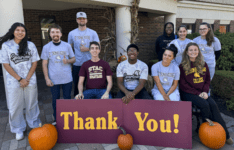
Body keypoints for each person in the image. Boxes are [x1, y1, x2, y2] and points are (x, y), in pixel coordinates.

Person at [179, 42, 233, 145]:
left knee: (213, 105)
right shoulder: (182, 66)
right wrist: (197, 93)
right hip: (188, 93)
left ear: (198, 51)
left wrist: (204, 91)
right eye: (191, 50)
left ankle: (226, 134)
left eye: (195, 50)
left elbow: (207, 80)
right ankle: (205, 129)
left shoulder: (203, 64)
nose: (193, 52)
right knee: (205, 105)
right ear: (187, 52)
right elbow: (183, 85)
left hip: (202, 92)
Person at [0, 22, 41, 140]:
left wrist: (26, 79)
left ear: (25, 33)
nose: (20, 32)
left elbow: (34, 63)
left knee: (32, 103)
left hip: (30, 80)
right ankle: (18, 129)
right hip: (13, 81)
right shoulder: (6, 46)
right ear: (13, 31)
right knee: (15, 105)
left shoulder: (30, 45)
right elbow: (6, 64)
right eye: (17, 30)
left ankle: (33, 124)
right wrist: (20, 79)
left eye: (22, 31)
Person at [41, 24, 75, 125]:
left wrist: (68, 61)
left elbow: (73, 59)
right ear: (50, 34)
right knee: (55, 100)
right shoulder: (46, 47)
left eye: (57, 32)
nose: (55, 34)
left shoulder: (67, 45)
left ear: (60, 34)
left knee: (67, 98)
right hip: (53, 79)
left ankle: (68, 118)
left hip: (67, 78)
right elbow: (44, 63)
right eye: (53, 32)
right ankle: (56, 118)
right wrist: (47, 78)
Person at [68, 12, 100, 97]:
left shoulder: (93, 33)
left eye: (83, 18)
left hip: (91, 64)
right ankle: (77, 107)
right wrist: (70, 61)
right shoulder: (71, 33)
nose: (81, 20)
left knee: (91, 87)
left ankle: (91, 107)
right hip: (77, 64)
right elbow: (69, 49)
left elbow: (98, 47)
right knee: (77, 87)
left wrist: (87, 49)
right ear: (76, 20)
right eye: (79, 18)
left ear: (86, 20)